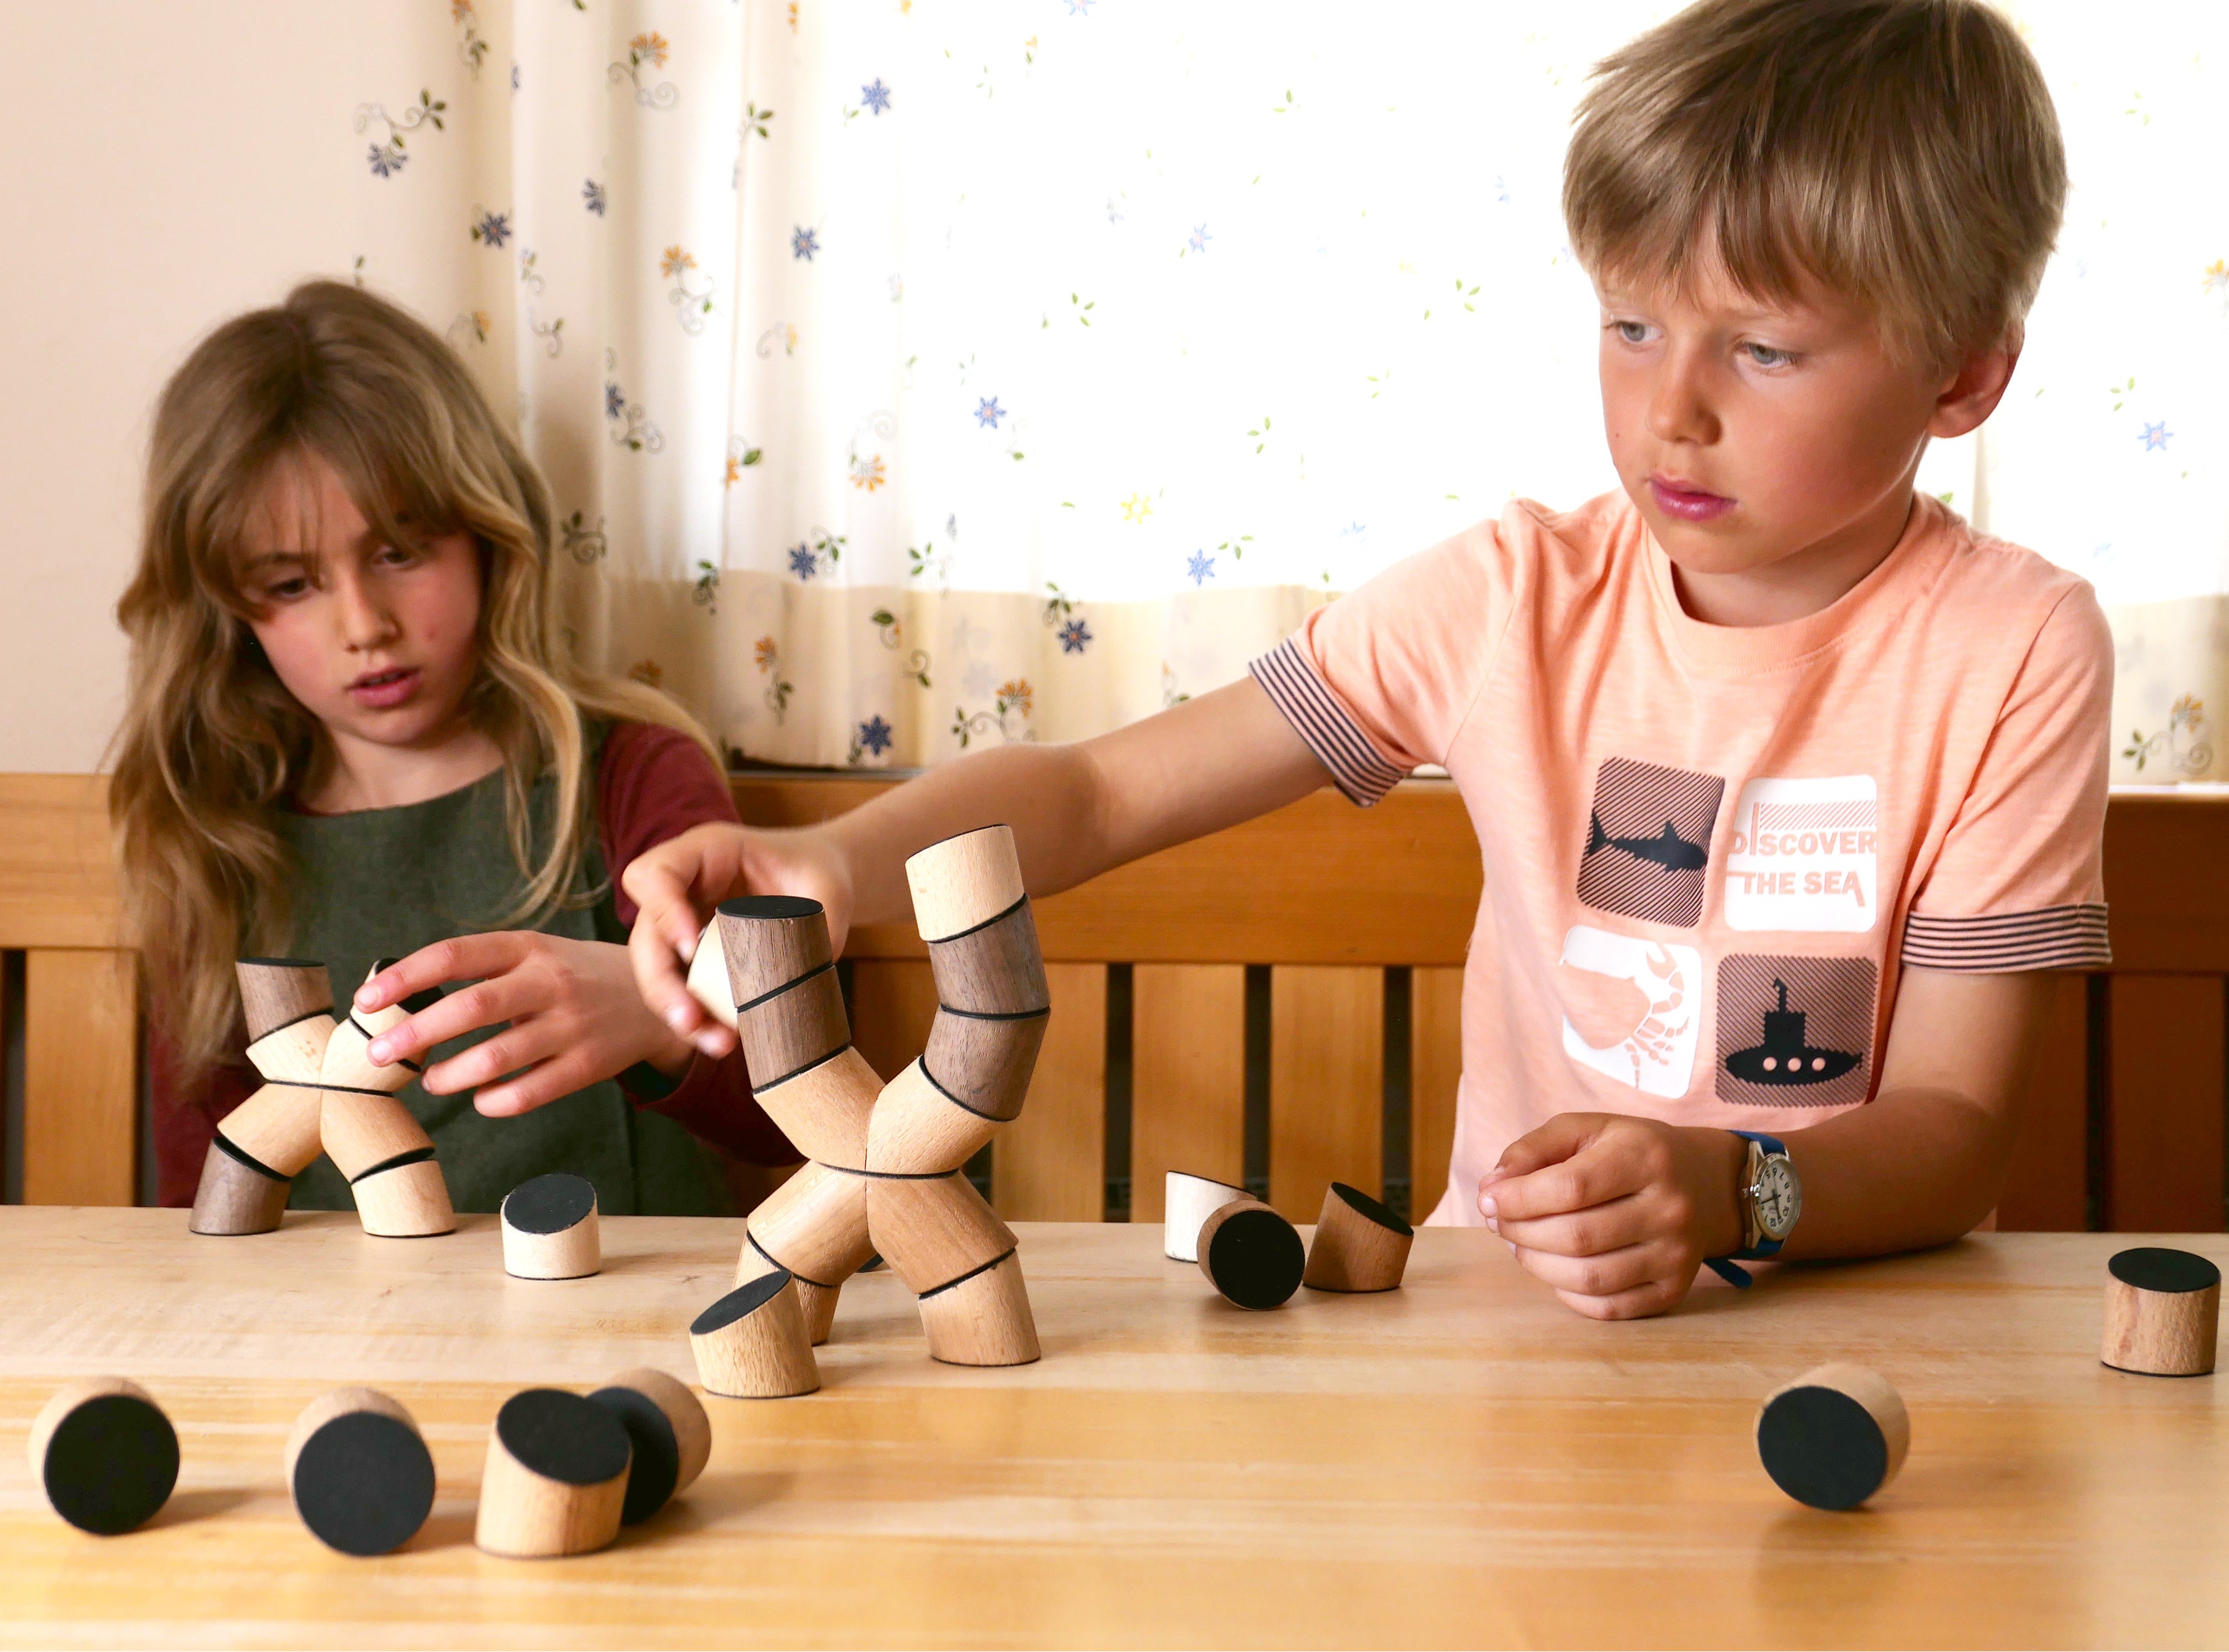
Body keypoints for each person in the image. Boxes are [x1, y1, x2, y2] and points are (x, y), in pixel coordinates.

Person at [594, 0, 2110, 1318]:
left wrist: (1733, 1191)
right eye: (1632, 325)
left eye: (1764, 350)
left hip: (1862, 1327)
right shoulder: (1508, 597)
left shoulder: (2017, 647)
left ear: (1965, 374)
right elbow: (1100, 795)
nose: (1672, 413)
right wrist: (833, 862)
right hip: (1510, 1323)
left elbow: (1956, 1124)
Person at [111, 279, 794, 1219]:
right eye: (292, 584)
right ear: (227, 609)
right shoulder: (212, 837)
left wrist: (659, 1025)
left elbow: (788, 1114)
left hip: (630, 1295)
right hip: (326, 1308)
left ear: (487, 537)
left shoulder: (629, 776)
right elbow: (202, 1192)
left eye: (399, 552)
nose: (365, 626)